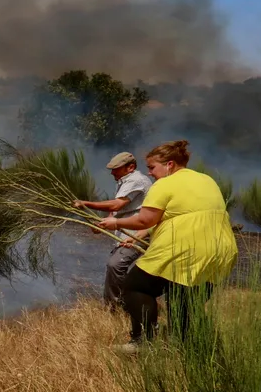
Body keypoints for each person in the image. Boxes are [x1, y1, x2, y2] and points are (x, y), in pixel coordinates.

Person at [98, 140, 237, 352]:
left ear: (170, 164)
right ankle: (187, 346)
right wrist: (138, 237)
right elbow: (179, 215)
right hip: (219, 247)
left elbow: (145, 219)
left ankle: (142, 342)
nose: (151, 173)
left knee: (135, 286)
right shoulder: (206, 179)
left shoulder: (164, 184)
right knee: (183, 297)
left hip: (184, 247)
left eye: (152, 167)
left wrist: (115, 222)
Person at [73, 152, 153, 310]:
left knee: (115, 265)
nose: (112, 172)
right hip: (126, 234)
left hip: (138, 234)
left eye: (116, 169)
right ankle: (125, 305)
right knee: (117, 267)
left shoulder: (137, 180)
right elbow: (118, 210)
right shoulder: (124, 181)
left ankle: (116, 307)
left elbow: (116, 205)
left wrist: (86, 203)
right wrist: (102, 224)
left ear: (130, 167)